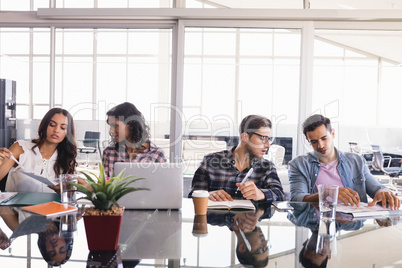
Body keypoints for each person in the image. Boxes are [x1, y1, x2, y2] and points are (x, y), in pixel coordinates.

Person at [289, 114, 400, 210]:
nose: (320, 145)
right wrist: (327, 193)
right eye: (314, 142)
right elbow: (296, 198)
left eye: (324, 138)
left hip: (352, 227)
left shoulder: (356, 161)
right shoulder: (298, 165)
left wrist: (382, 192)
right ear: (308, 141)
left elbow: (376, 188)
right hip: (318, 222)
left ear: (332, 133)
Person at [188, 114, 285, 204]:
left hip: (250, 221)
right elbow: (192, 196)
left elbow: (280, 195)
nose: (268, 145)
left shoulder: (267, 167)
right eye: (263, 138)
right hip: (214, 221)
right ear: (245, 137)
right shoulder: (210, 162)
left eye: (269, 139)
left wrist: (261, 194)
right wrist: (207, 195)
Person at [0, 108, 77, 193]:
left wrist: (63, 191)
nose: (56, 130)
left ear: (68, 133)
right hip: (17, 206)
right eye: (52, 125)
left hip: (52, 206)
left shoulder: (66, 158)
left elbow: (70, 195)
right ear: (44, 125)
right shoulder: (21, 148)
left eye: (63, 128)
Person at [102, 102, 167, 177]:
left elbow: (162, 186)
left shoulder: (157, 154)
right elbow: (105, 183)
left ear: (131, 125)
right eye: (110, 126)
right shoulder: (109, 152)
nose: (111, 131)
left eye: (115, 125)